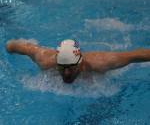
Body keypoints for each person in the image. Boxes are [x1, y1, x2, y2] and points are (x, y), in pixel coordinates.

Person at [6, 39, 150, 83]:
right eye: (62, 67)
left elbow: (137, 54)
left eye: (71, 67)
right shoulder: (45, 59)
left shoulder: (101, 62)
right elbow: (16, 46)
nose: (66, 73)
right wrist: (8, 48)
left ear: (80, 62)